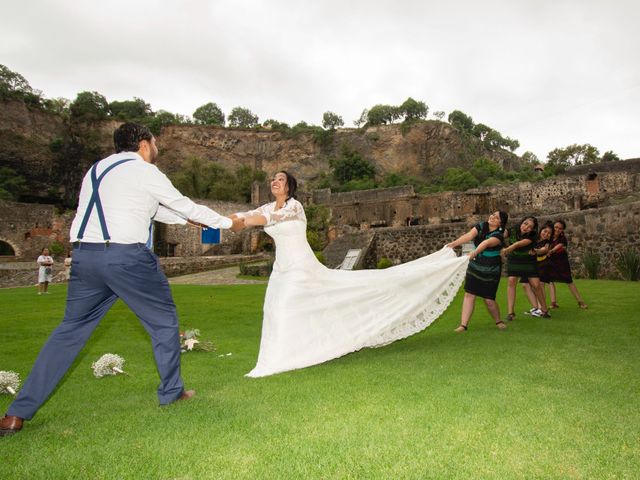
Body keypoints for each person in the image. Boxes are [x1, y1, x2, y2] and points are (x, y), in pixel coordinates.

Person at [0, 122, 243, 437]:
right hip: (127, 259)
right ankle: (172, 393)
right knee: (164, 323)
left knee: (69, 333)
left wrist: (194, 221)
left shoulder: (96, 171)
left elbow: (157, 211)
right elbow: (182, 204)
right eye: (154, 143)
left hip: (85, 259)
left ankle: (15, 415)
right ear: (144, 144)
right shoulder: (145, 171)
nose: (156, 149)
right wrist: (227, 222)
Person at [233, 171, 469, 377]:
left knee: (285, 307)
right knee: (273, 309)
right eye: (273, 178)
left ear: (289, 187)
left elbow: (266, 219)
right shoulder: (266, 207)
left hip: (300, 267)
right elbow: (246, 214)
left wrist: (242, 222)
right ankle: (278, 356)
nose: (274, 181)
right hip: (281, 269)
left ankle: (282, 358)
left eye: (280, 179)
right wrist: (221, 221)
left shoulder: (294, 206)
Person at [446, 211, 509, 332]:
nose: (492, 217)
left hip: (491, 267)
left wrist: (475, 252)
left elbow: (486, 243)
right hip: (476, 264)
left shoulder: (499, 235)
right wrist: (453, 244)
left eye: (497, 217)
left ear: (501, 222)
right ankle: (463, 325)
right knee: (469, 293)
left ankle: (498, 320)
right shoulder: (481, 225)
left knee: (489, 299)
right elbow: (469, 236)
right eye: (492, 214)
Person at [502, 216, 551, 320]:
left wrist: (509, 248)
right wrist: (499, 235)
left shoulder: (533, 236)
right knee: (511, 281)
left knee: (536, 285)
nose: (526, 227)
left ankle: (544, 310)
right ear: (521, 222)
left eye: (529, 227)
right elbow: (503, 234)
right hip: (514, 259)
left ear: (533, 229)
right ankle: (511, 312)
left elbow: (519, 244)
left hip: (528, 261)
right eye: (525, 223)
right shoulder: (514, 229)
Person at [547, 219, 588, 309]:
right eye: (556, 227)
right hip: (551, 260)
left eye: (560, 228)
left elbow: (559, 246)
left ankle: (580, 302)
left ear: (562, 230)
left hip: (561, 261)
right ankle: (553, 302)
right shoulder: (548, 236)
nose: (557, 230)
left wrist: (551, 250)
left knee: (568, 281)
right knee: (549, 280)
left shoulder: (562, 238)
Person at [520, 222, 553, 316]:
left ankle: (542, 308)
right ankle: (536, 307)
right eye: (545, 231)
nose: (546, 234)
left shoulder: (547, 243)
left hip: (543, 264)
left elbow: (544, 250)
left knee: (540, 285)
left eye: (549, 233)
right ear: (540, 231)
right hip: (530, 264)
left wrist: (536, 251)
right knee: (525, 284)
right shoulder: (533, 239)